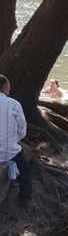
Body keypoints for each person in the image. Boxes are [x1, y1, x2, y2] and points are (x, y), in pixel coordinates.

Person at [0, 74, 31, 206]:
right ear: (6, 87)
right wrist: (13, 140)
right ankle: (24, 200)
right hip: (9, 152)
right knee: (25, 175)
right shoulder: (13, 104)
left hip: (7, 150)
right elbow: (22, 130)